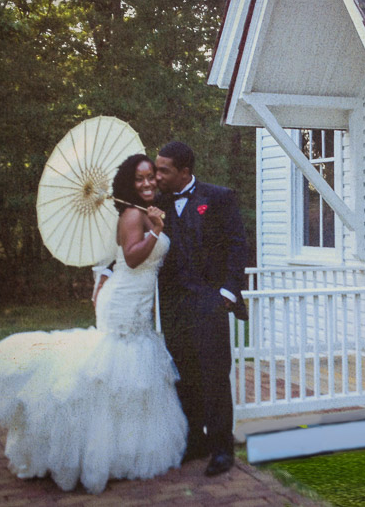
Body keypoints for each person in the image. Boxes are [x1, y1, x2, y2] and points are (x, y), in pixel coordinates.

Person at [0, 154, 187, 494]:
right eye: (140, 179)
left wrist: (112, 269)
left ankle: (123, 451)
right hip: (125, 303)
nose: (147, 183)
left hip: (136, 299)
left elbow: (116, 260)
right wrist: (156, 233)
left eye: (150, 178)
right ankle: (96, 452)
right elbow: (131, 256)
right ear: (130, 183)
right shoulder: (132, 214)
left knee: (129, 372)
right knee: (116, 370)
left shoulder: (140, 212)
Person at [154, 141, 248, 477]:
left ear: (184, 171)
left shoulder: (219, 197)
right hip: (174, 306)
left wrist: (227, 292)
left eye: (163, 169)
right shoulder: (156, 203)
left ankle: (222, 448)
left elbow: (238, 246)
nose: (157, 174)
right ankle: (196, 442)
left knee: (214, 377)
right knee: (185, 376)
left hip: (209, 302)